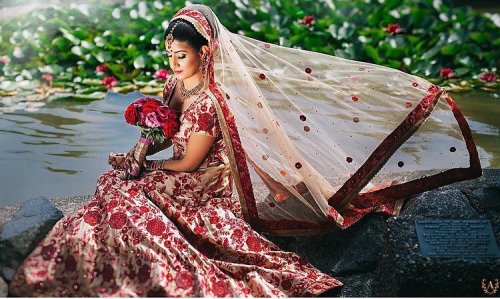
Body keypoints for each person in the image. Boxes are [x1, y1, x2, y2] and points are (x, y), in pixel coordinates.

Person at [7, 4, 345, 297]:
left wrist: (150, 167)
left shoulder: (210, 104)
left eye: (181, 56)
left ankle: (149, 271)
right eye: (170, 56)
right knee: (116, 183)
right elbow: (166, 133)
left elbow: (188, 163)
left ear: (204, 52)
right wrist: (141, 149)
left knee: (125, 196)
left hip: (200, 183)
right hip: (175, 168)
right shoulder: (175, 85)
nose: (174, 63)